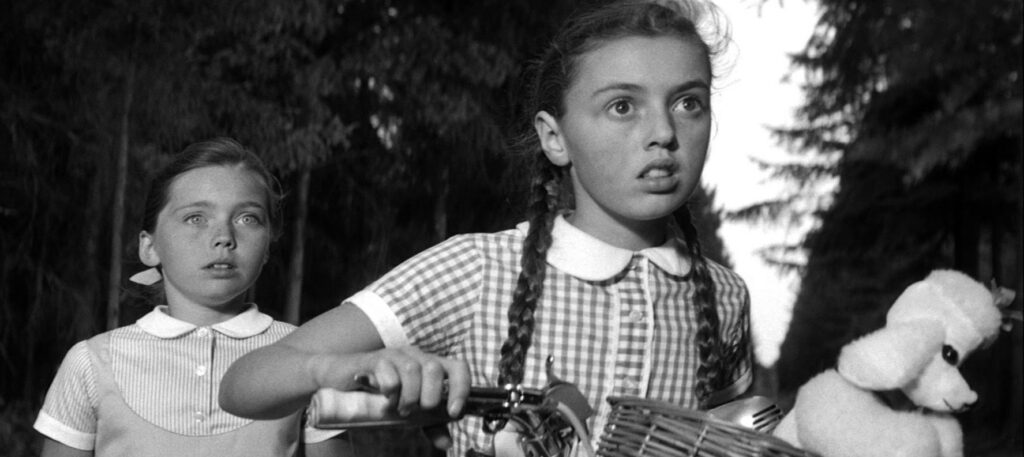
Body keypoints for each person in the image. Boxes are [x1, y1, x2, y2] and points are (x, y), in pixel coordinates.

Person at [220, 0, 753, 455]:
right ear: (554, 138)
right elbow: (243, 383)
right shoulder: (478, 269)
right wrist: (335, 370)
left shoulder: (725, 297)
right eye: (622, 106)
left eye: (689, 103)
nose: (663, 132)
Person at [33, 138, 342, 456]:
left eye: (247, 218)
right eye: (196, 218)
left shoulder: (312, 359)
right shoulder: (89, 364)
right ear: (149, 247)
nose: (224, 237)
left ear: (267, 247)